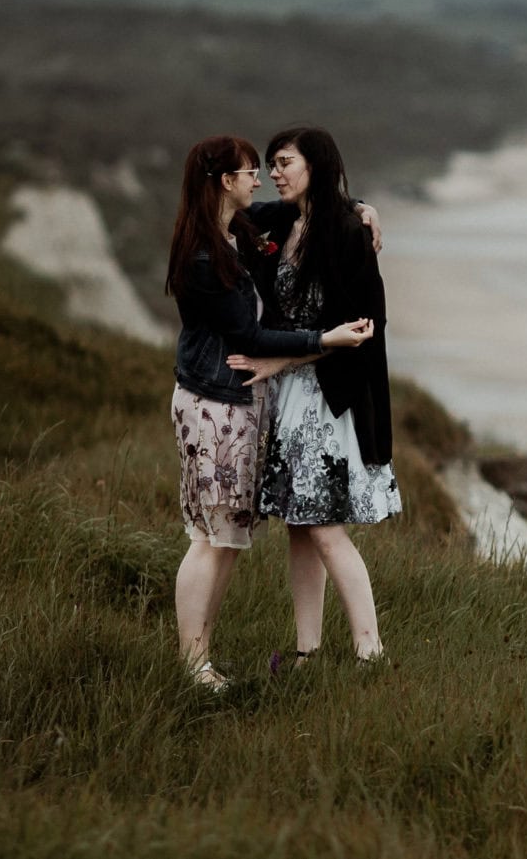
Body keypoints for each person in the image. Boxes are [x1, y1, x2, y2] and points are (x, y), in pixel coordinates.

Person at [165, 135, 374, 690]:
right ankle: (193, 664)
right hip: (214, 404)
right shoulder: (208, 253)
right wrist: (323, 339)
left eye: (271, 166)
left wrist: (359, 207)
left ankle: (202, 657)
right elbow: (250, 335)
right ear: (223, 182)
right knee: (209, 539)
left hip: (236, 405)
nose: (259, 178)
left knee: (227, 538)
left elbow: (301, 203)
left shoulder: (235, 229)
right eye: (249, 170)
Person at [225, 126, 399, 672]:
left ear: (315, 166)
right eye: (271, 164)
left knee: (324, 526)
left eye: (284, 162)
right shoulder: (278, 221)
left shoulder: (347, 233)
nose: (274, 173)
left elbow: (367, 327)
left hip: (329, 396)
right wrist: (364, 202)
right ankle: (307, 651)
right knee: (300, 526)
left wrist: (283, 360)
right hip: (287, 396)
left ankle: (371, 653)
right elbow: (227, 221)